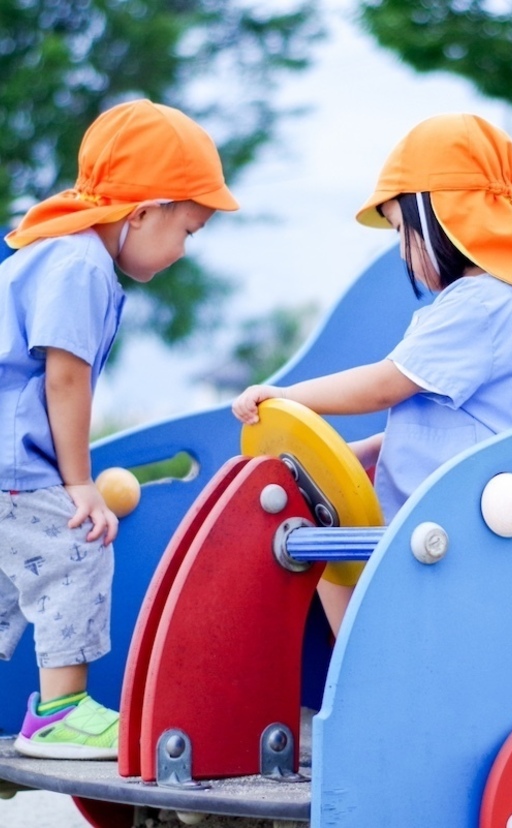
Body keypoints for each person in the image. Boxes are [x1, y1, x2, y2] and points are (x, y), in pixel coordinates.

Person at [232, 113, 512, 635]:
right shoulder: (481, 301)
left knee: (325, 551)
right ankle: (358, 669)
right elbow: (438, 424)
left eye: (400, 229)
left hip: (482, 524)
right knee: (327, 553)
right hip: (462, 511)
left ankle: (358, 677)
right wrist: (365, 453)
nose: (400, 250)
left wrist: (288, 396)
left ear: (443, 216)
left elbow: (384, 385)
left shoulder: (481, 303)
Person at [0, 99, 238, 759]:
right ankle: (60, 714)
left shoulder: (56, 253)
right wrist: (77, 483)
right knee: (77, 548)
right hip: (13, 464)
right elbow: (64, 378)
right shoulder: (80, 265)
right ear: (143, 212)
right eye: (188, 229)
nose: (185, 250)